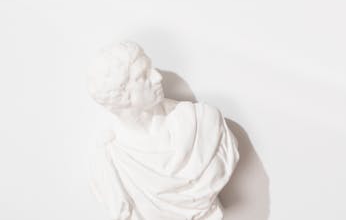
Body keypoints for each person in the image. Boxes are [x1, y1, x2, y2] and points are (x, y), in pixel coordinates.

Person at [88, 42, 238, 220]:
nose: (158, 77)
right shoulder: (110, 161)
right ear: (122, 95)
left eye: (151, 69)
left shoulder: (203, 121)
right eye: (144, 76)